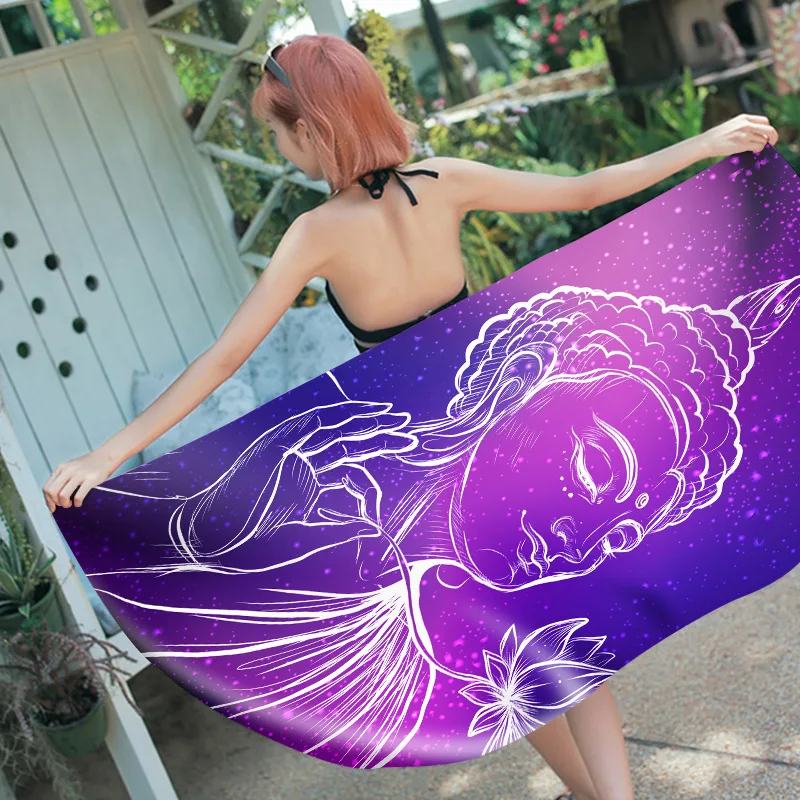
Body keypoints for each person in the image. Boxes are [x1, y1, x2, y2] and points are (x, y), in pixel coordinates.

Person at [43, 33, 779, 800]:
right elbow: (587, 191)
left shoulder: (315, 235)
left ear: (311, 129)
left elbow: (225, 358)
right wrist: (707, 143)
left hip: (437, 468)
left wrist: (108, 454)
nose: (277, 145)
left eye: (276, 131)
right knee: (566, 640)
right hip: (516, 435)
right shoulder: (444, 179)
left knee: (505, 654)